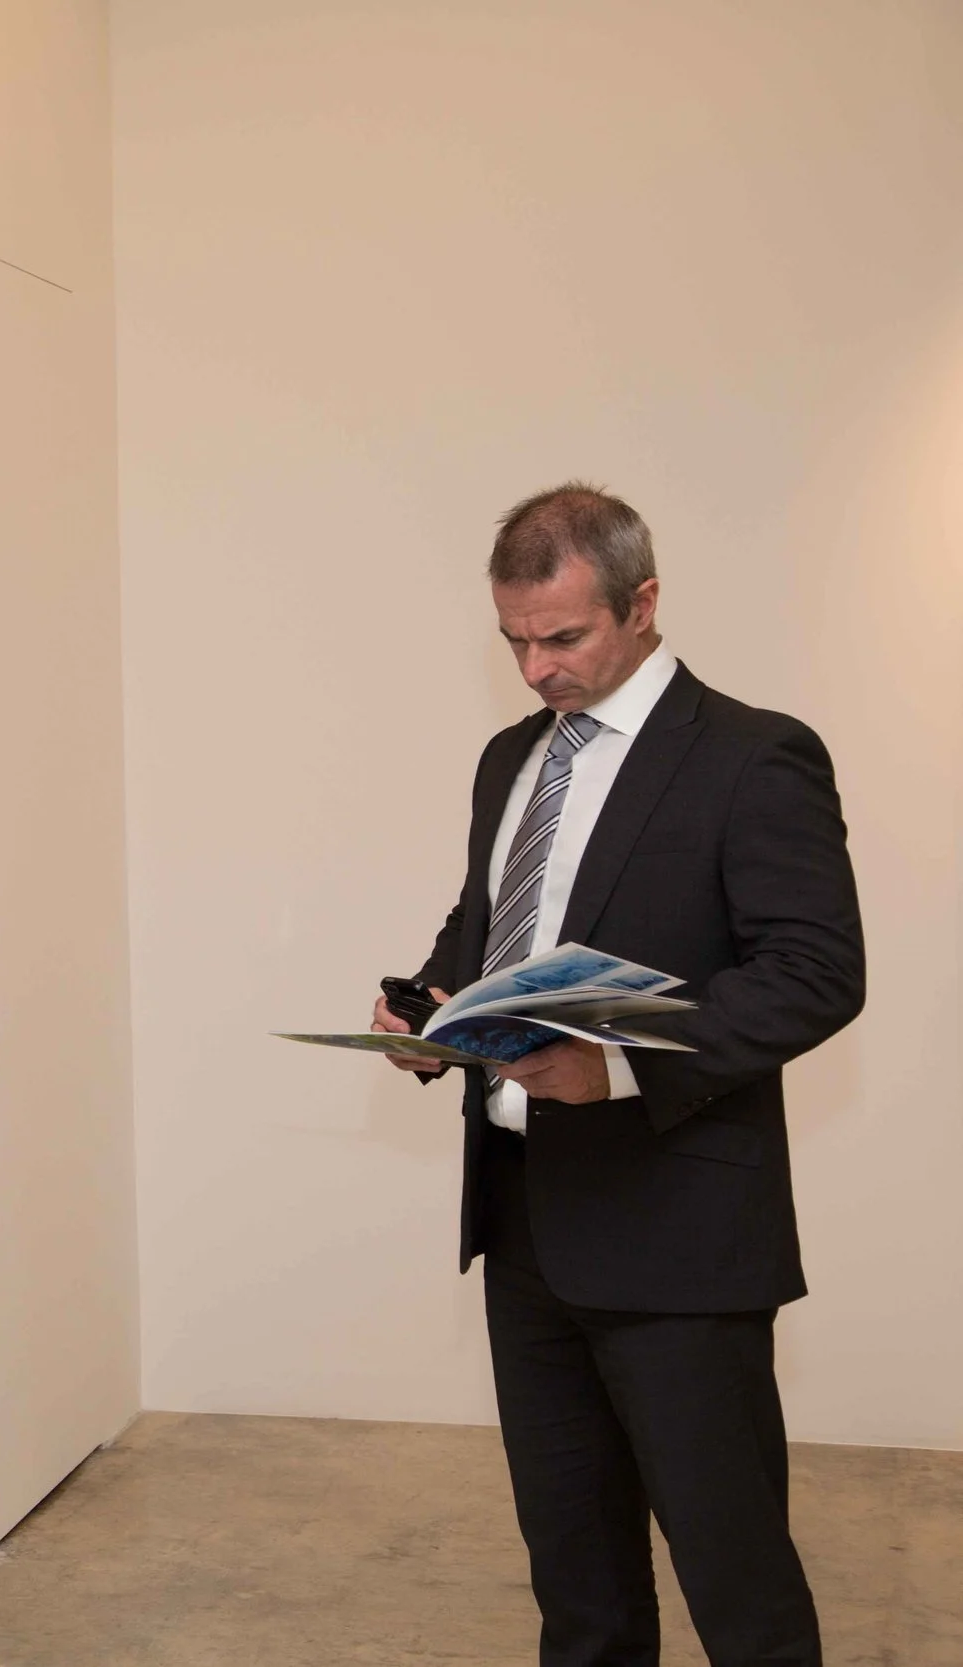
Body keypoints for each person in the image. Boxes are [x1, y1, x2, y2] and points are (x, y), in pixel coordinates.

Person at [372, 483, 864, 1667]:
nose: (536, 668)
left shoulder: (753, 755)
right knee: (577, 1584)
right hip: (526, 1225)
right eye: (513, 642)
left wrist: (621, 1065)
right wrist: (426, 1010)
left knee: (734, 1579)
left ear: (642, 604)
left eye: (562, 637)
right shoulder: (508, 761)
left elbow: (813, 970)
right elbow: (487, 928)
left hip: (679, 1228)